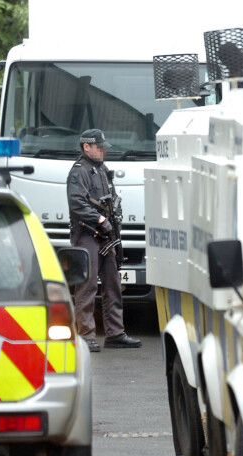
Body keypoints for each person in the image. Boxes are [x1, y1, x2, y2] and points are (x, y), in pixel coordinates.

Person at [67, 129, 142, 352]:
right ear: (86, 146)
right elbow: (77, 203)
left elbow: (110, 200)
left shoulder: (101, 169)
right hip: (87, 235)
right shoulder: (79, 171)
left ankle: (115, 333)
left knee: (112, 285)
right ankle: (86, 337)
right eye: (99, 147)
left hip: (106, 236)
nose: (103, 150)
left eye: (103, 147)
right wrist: (99, 218)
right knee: (87, 287)